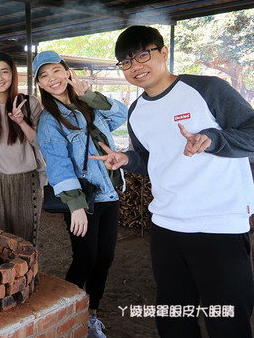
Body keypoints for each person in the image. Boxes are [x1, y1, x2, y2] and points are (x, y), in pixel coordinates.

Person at [91, 25, 254, 338]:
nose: (135, 66)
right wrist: (127, 160)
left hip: (219, 225)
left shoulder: (208, 90)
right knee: (174, 320)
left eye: (142, 55)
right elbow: (154, 159)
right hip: (167, 227)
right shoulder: (137, 112)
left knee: (228, 322)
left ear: (163, 52)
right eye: (125, 62)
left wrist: (213, 139)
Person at [34, 50, 127, 338]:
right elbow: (59, 166)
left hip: (109, 194)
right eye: (44, 76)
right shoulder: (50, 121)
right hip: (84, 200)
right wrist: (75, 205)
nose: (52, 79)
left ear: (67, 72)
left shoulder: (89, 105)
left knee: (105, 258)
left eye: (56, 71)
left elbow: (121, 115)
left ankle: (92, 314)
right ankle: (64, 313)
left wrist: (89, 95)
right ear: (39, 83)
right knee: (85, 259)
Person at [0, 52, 46, 244]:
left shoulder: (29, 104)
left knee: (24, 244)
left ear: (12, 75)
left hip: (26, 182)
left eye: (4, 72)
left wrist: (22, 122)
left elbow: (42, 143)